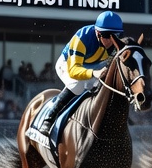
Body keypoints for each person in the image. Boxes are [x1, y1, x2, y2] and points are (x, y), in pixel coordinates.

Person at [26, 11, 125, 145]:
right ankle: (49, 119)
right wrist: (94, 74)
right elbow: (73, 71)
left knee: (104, 88)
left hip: (93, 66)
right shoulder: (82, 38)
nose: (110, 40)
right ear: (97, 32)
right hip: (67, 65)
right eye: (106, 35)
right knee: (78, 85)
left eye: (114, 35)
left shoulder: (114, 44)